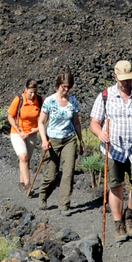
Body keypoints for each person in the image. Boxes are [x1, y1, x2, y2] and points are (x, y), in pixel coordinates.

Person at [89, 59, 132, 241]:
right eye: (122, 79)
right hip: (114, 149)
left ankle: (129, 213)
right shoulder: (105, 96)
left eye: (129, 79)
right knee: (116, 187)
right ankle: (118, 224)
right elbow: (94, 122)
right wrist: (100, 133)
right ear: (115, 76)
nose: (126, 83)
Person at [36, 72, 80, 211]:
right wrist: (44, 140)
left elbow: (76, 122)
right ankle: (43, 195)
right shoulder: (49, 101)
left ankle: (64, 205)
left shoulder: (73, 101)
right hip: (52, 140)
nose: (66, 89)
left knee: (68, 173)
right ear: (58, 85)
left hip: (69, 139)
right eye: (64, 86)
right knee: (52, 175)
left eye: (69, 87)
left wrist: (81, 140)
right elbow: (41, 122)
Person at [7, 78, 44, 196]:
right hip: (17, 133)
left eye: (35, 92)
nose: (32, 95)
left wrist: (37, 129)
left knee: (26, 159)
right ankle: (29, 185)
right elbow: (10, 117)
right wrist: (19, 130)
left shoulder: (39, 100)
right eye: (30, 92)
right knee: (23, 157)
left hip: (32, 133)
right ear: (25, 89)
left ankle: (22, 182)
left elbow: (44, 118)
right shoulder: (19, 99)